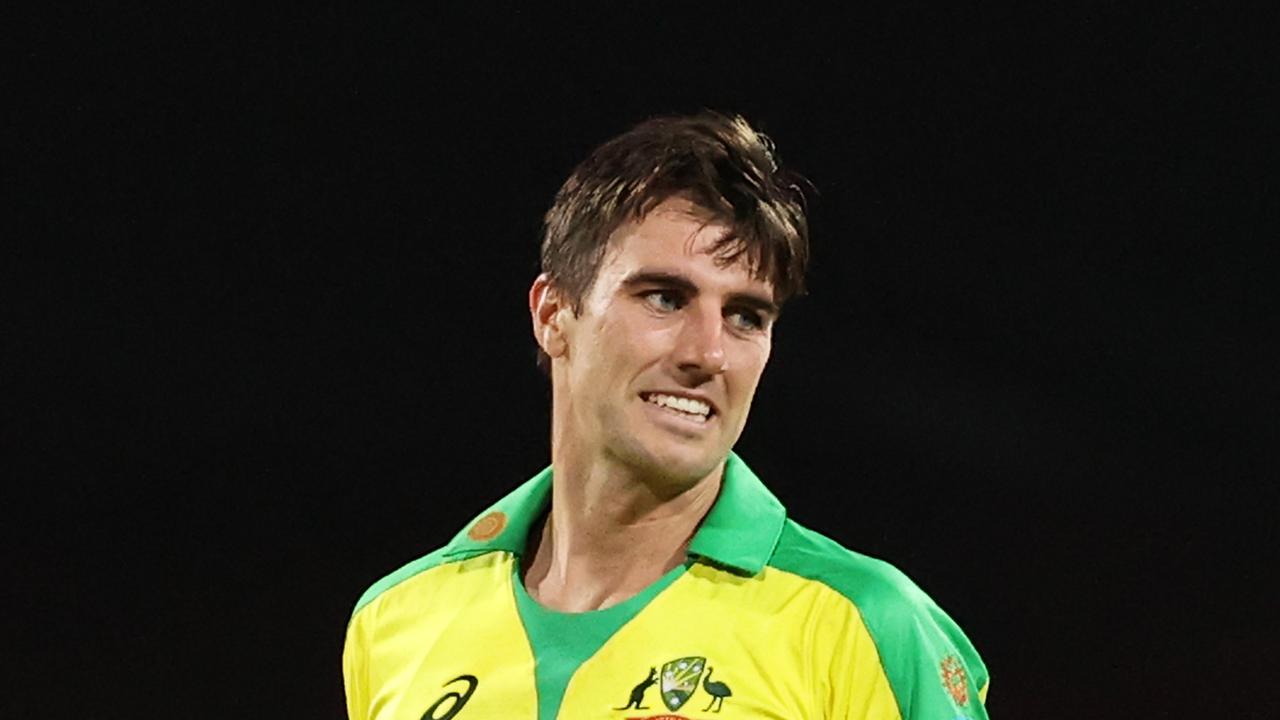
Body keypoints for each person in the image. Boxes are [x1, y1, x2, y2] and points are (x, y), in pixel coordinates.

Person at [343, 111, 990, 719]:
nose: (708, 353)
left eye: (746, 316)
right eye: (664, 298)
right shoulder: (397, 620)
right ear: (552, 315)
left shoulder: (867, 623)